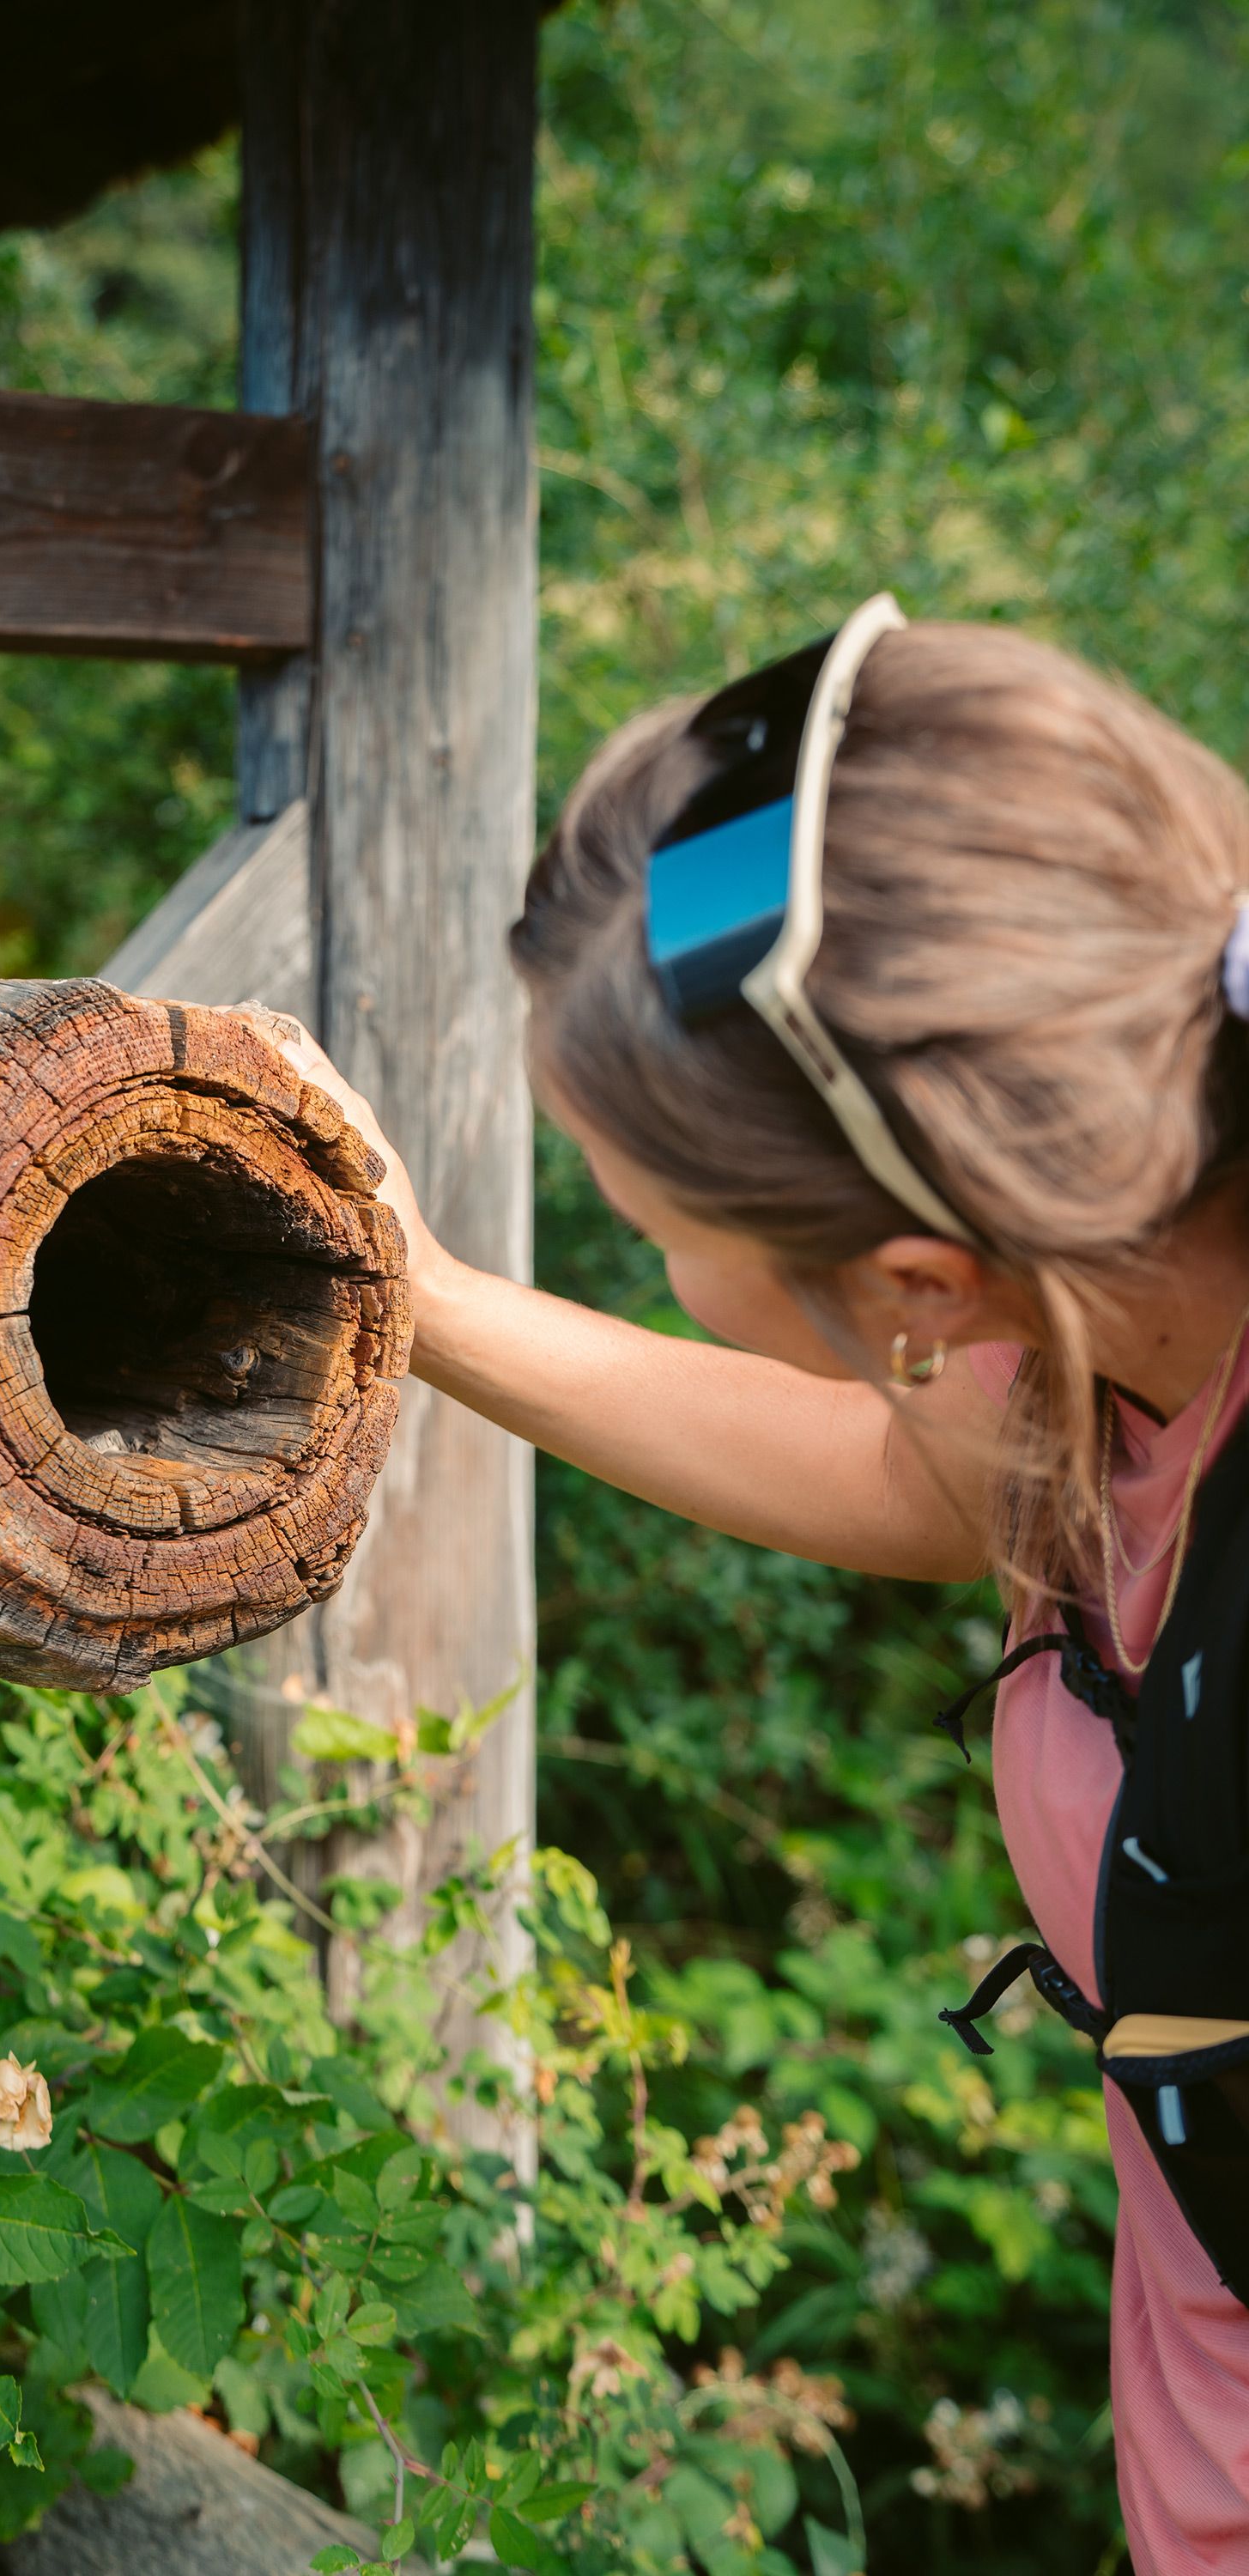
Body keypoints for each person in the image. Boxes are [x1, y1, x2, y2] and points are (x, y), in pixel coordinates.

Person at [236, 598, 1249, 2570]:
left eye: (647, 1222)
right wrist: (418, 1295)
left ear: (916, 1288)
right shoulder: (1126, 1306)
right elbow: (923, 1468)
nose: (637, 1251)